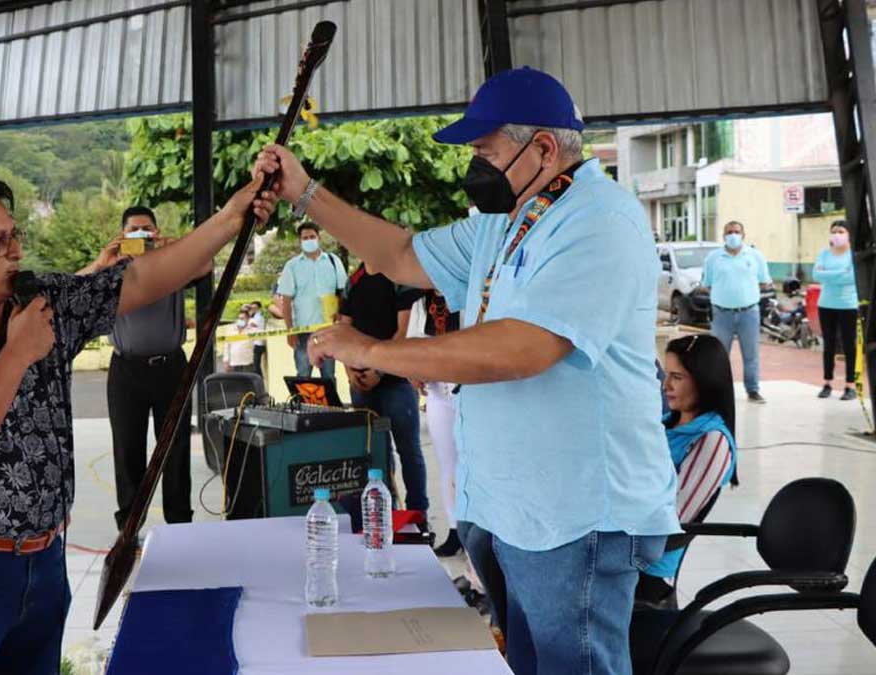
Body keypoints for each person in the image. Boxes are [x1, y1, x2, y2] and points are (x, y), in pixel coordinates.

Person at [253, 66, 678, 675]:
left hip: (577, 515)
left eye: (485, 151)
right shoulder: (500, 223)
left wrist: (371, 350)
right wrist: (305, 193)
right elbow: (399, 255)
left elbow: (522, 349)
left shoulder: (598, 223)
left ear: (543, 148)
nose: (474, 165)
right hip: (512, 511)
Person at [0, 171, 274, 675]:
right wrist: (18, 353)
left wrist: (232, 215)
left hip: (43, 559)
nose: (15, 250)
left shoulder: (42, 302)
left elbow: (143, 278)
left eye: (14, 234)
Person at [90, 206, 200, 533]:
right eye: (134, 229)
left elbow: (205, 264)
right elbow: (80, 290)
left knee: (175, 448)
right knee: (128, 449)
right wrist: (104, 259)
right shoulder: (112, 270)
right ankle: (129, 530)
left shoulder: (174, 263)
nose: (142, 235)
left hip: (171, 367)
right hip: (126, 370)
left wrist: (178, 246)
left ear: (157, 231)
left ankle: (179, 525)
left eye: (147, 229)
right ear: (122, 235)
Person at [636, 334, 738, 608]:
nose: (665, 385)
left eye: (677, 377)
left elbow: (674, 521)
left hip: (647, 570)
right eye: (666, 375)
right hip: (627, 550)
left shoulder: (711, 440)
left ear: (705, 381)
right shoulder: (664, 425)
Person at [338, 261, 429, 516]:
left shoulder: (400, 275)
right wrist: (349, 369)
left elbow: (405, 330)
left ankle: (418, 516)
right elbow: (343, 327)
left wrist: (379, 369)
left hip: (396, 380)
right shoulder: (354, 279)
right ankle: (383, 515)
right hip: (361, 382)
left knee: (408, 450)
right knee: (374, 453)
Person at [407, 289, 463, 556]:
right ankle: (455, 530)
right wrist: (412, 371)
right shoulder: (421, 303)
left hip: (470, 387)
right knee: (447, 462)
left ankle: (479, 531)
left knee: (475, 461)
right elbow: (411, 346)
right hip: (436, 390)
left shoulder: (468, 293)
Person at [701, 220, 772, 403]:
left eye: (737, 231)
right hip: (721, 314)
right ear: (724, 235)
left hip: (749, 313)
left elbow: (764, 281)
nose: (733, 235)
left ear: (743, 234)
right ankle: (718, 393)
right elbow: (707, 284)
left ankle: (753, 390)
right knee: (718, 355)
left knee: (751, 354)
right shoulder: (713, 258)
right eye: (729, 231)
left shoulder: (755, 256)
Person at [276, 222, 347, 379]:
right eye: (305, 238)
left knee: (329, 375)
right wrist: (290, 332)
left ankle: (329, 405)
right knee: (303, 375)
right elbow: (286, 301)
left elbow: (342, 292)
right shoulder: (292, 266)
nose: (309, 240)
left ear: (319, 237)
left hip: (328, 330)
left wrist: (340, 313)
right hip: (302, 332)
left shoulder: (333, 261)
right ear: (300, 241)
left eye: (312, 237)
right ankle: (304, 404)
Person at [814, 221, 860, 401]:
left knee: (850, 346)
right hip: (826, 304)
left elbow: (852, 277)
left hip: (848, 305)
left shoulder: (853, 255)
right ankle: (827, 383)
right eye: (834, 231)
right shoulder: (824, 254)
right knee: (829, 345)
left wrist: (829, 275)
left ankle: (850, 385)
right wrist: (840, 273)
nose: (837, 234)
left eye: (841, 231)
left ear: (848, 234)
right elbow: (817, 275)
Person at [222, 309, 257, 374]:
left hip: (247, 363)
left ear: (248, 319)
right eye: (239, 318)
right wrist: (226, 361)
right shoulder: (231, 330)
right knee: (235, 383)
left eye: (243, 318)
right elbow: (226, 346)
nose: (240, 320)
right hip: (233, 363)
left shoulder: (252, 331)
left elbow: (262, 336)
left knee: (247, 383)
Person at [246, 303, 267, 380]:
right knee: (255, 365)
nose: (253, 309)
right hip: (255, 343)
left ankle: (259, 381)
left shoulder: (259, 317)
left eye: (255, 307)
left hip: (259, 344)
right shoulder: (254, 317)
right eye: (252, 307)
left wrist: (249, 315)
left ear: (259, 308)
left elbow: (249, 324)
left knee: (256, 366)